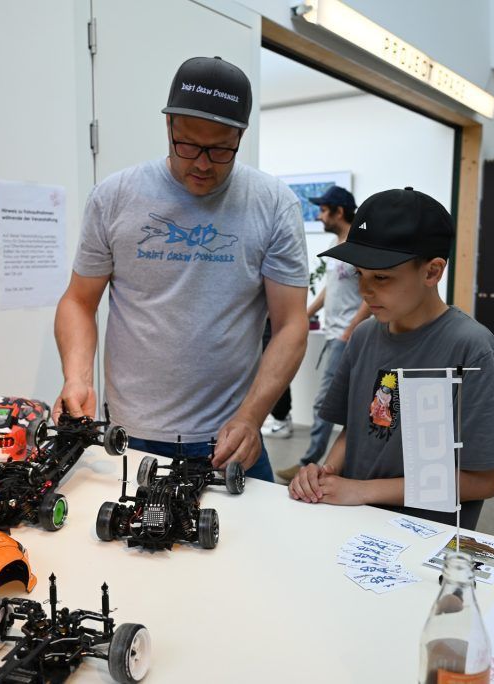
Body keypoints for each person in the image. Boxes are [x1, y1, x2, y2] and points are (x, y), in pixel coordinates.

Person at [54, 56, 309, 483]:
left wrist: (251, 417)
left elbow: (291, 325)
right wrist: (75, 377)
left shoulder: (273, 204)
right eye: (188, 144)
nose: (203, 164)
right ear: (169, 126)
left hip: (229, 440)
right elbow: (79, 301)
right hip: (128, 437)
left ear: (241, 136)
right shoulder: (115, 196)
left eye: (221, 149)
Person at [287, 187, 494, 529]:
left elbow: (484, 481)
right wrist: (325, 475)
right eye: (360, 275)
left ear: (432, 272)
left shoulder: (471, 348)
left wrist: (363, 490)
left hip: (426, 539)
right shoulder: (364, 337)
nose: (366, 291)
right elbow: (352, 431)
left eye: (382, 277)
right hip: (352, 526)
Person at [275, 186, 369, 482]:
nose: (319, 215)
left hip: (348, 335)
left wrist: (351, 330)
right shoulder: (337, 243)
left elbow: (371, 292)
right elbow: (332, 288)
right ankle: (328, 464)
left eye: (323, 209)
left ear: (339, 211)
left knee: (324, 402)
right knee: (341, 402)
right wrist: (305, 313)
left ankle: (309, 463)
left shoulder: (361, 245)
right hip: (335, 333)